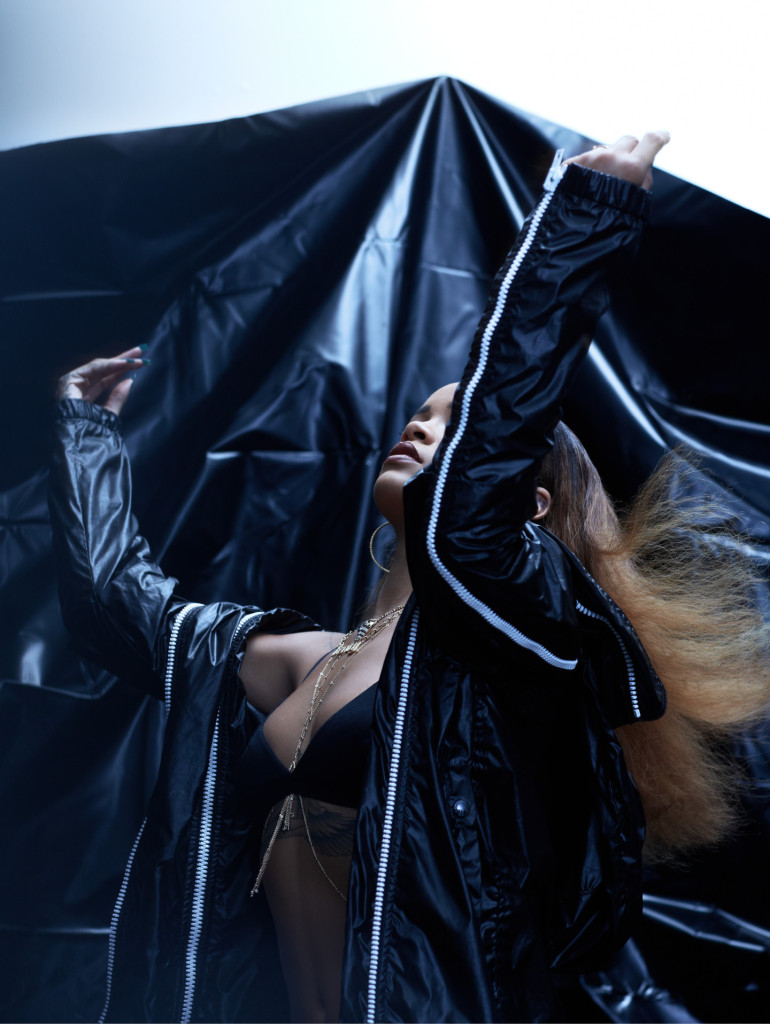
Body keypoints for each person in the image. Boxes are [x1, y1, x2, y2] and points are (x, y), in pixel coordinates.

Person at [48, 132, 769, 1023]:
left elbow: (472, 502)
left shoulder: (519, 652)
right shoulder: (302, 662)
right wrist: (86, 434)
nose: (421, 429)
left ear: (530, 505)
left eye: (454, 425)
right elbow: (119, 611)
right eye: (421, 415)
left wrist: (580, 228)